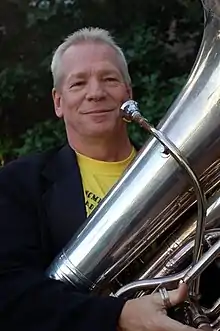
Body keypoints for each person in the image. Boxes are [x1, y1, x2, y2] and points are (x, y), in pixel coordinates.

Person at [0, 27, 199, 331]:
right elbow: (9, 292)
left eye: (109, 79)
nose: (96, 92)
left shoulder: (185, 173)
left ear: (128, 92)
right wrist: (118, 315)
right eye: (78, 83)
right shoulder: (19, 184)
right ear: (58, 101)